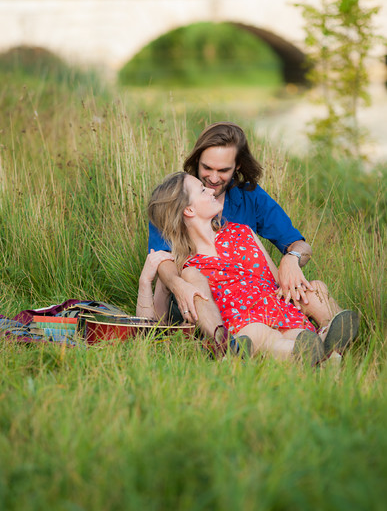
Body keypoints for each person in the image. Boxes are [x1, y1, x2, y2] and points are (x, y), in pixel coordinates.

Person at [148, 121, 352, 344]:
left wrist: (291, 259)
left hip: (259, 296)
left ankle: (334, 339)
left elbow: (298, 244)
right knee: (248, 326)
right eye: (207, 168)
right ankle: (227, 343)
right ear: (197, 161)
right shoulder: (176, 201)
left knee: (316, 290)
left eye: (223, 170)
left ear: (237, 167)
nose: (213, 179)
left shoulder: (250, 198)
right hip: (209, 302)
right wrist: (179, 285)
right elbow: (162, 260)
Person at [146, 171, 359, 363]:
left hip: (277, 308)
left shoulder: (243, 232)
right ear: (189, 210)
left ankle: (327, 338)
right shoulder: (189, 266)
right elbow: (160, 316)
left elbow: (278, 281)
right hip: (244, 325)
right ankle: (320, 353)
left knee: (316, 291)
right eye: (202, 190)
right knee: (263, 335)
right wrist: (146, 283)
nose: (211, 190)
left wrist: (304, 291)